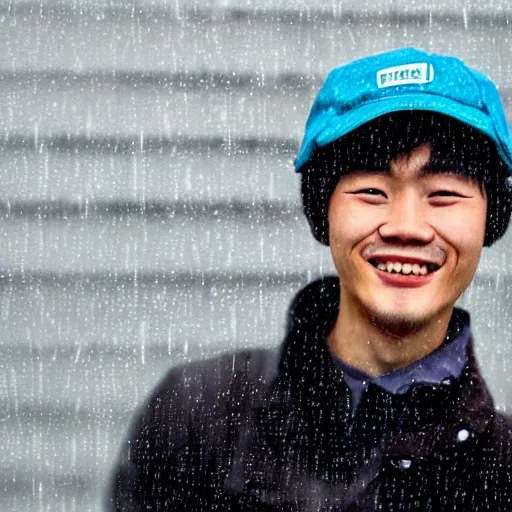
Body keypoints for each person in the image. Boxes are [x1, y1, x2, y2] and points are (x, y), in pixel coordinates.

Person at [107, 48, 512, 511]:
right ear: (324, 212)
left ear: (490, 221)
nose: (407, 226)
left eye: (443, 195)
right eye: (372, 192)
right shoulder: (199, 416)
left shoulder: (502, 470)